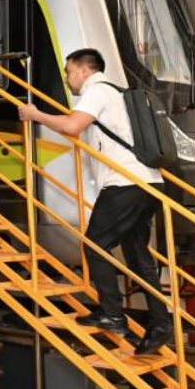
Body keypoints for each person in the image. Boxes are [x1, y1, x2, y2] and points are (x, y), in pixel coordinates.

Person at [16, 48, 172, 355]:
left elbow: (73, 126)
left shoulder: (96, 91)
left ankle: (112, 314)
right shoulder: (116, 93)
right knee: (139, 256)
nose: (67, 77)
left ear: (84, 71)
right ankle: (161, 324)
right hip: (150, 183)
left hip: (124, 184)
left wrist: (36, 115)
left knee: (95, 245)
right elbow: (80, 132)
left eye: (68, 71)